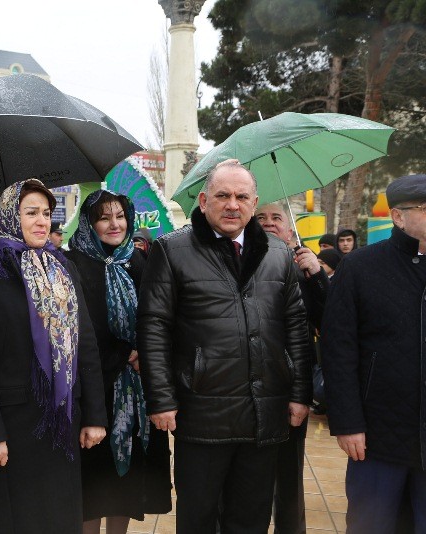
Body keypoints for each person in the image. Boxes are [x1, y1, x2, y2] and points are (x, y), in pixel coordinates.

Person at [137, 161, 312, 534]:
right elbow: (154, 327)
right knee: (198, 517)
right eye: (223, 195)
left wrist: (299, 393)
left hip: (263, 413)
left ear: (254, 202)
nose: (233, 204)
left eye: (241, 196)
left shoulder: (277, 255)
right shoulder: (172, 250)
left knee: (250, 518)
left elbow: (296, 327)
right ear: (203, 201)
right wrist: (161, 398)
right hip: (201, 412)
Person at [0, 179, 108, 533]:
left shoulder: (62, 270)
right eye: (31, 213)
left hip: (60, 423)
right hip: (9, 430)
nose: (43, 222)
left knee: (58, 520)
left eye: (47, 213)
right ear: (9, 216)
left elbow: (85, 345)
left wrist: (95, 414)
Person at [321, 174, 426, 533]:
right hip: (378, 437)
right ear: (398, 216)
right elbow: (338, 351)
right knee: (373, 525)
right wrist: (348, 423)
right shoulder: (361, 267)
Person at [65, 190, 172, 534]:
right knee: (91, 481)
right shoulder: (73, 264)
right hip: (93, 391)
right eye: (104, 217)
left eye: (120, 216)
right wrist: (123, 353)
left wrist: (145, 351)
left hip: (137, 389)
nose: (115, 224)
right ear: (89, 223)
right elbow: (75, 329)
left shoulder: (139, 261)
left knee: (126, 484)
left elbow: (157, 315)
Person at [256, 202, 330, 534]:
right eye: (261, 218)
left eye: (276, 218)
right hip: (245, 390)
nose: (269, 223)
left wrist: (317, 277)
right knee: (247, 479)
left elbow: (328, 321)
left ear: (289, 228)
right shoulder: (237, 264)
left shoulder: (304, 269)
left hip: (290, 389)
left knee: (288, 477)